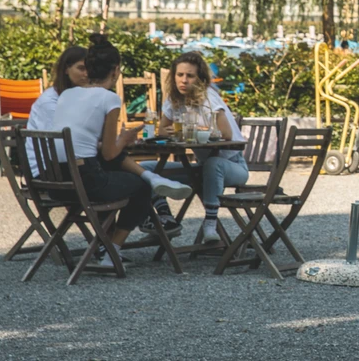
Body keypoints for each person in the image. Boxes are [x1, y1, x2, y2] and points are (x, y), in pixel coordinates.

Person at [46, 34, 191, 266]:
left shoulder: (66, 94)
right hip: (86, 182)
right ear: (115, 70)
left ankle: (106, 245)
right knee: (140, 188)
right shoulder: (109, 98)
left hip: (56, 184)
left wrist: (118, 142)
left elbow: (96, 148)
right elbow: (110, 153)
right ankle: (112, 251)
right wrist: (124, 138)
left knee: (109, 171)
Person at [142, 51, 249, 243]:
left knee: (214, 163)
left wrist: (195, 130)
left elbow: (226, 135)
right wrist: (184, 131)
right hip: (201, 168)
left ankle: (210, 224)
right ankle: (165, 218)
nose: (184, 80)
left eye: (190, 76)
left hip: (232, 166)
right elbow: (162, 130)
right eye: (180, 75)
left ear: (199, 79)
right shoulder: (174, 99)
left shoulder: (209, 98)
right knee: (145, 168)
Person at [25, 46, 88, 177]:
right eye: (81, 68)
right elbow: (61, 147)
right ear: (66, 69)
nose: (86, 74)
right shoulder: (50, 102)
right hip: (47, 172)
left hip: (68, 165)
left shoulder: (78, 98)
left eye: (89, 69)